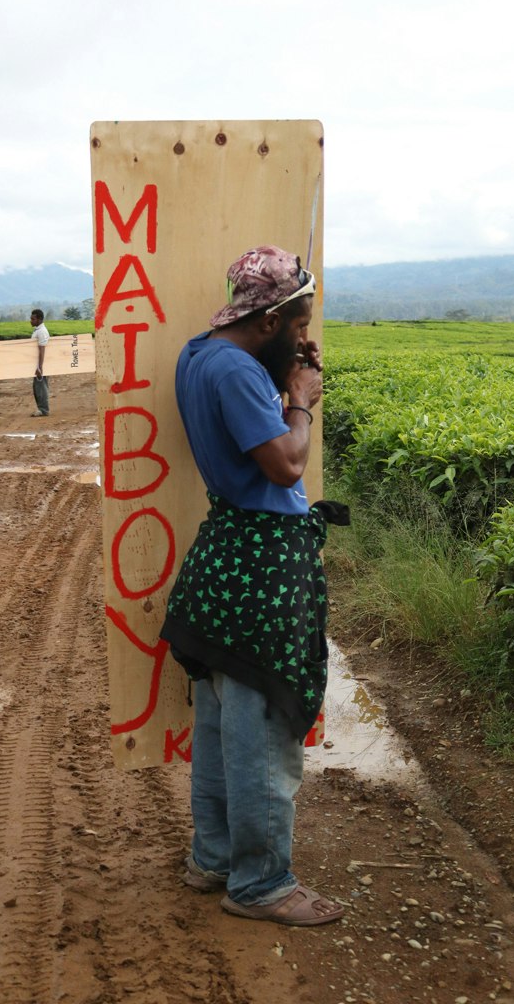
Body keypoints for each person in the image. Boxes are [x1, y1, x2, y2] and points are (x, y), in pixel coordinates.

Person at [158, 245, 344, 927]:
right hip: (261, 568)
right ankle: (261, 883)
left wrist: (285, 380)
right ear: (266, 322)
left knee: (218, 724)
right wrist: (299, 401)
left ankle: (212, 857)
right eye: (297, 325)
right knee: (263, 730)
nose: (304, 338)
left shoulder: (199, 353)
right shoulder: (239, 371)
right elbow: (286, 467)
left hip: (225, 556)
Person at [30, 309, 50, 416]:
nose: (31, 321)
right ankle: (41, 408)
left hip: (40, 365)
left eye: (33, 319)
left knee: (41, 387)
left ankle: (43, 410)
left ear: (40, 319)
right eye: (31, 318)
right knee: (37, 387)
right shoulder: (37, 330)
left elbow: (42, 350)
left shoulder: (42, 331)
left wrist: (40, 367)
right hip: (37, 364)